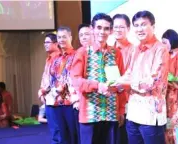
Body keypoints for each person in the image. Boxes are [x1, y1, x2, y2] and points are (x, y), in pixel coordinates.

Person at [114, 10, 169, 144]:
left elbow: (154, 82)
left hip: (151, 116)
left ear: (153, 27)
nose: (139, 29)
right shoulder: (135, 49)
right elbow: (129, 73)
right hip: (133, 114)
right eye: (136, 25)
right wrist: (115, 82)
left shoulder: (160, 49)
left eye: (143, 25)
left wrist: (127, 84)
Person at [71, 13, 126, 144]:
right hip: (90, 114)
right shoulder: (83, 52)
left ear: (111, 31)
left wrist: (121, 109)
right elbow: (76, 81)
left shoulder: (116, 53)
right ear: (92, 29)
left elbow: (121, 84)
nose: (102, 32)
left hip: (111, 113)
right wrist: (97, 86)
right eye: (99, 27)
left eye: (106, 28)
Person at [48, 27, 80, 144]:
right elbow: (52, 78)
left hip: (71, 103)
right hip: (58, 102)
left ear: (70, 38)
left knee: (74, 135)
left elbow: (76, 78)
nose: (61, 39)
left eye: (64, 37)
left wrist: (63, 88)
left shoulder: (77, 55)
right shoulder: (56, 58)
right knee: (62, 136)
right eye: (59, 37)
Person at [112, 13, 133, 144]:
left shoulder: (134, 50)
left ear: (128, 29)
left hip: (127, 103)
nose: (118, 30)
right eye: (115, 27)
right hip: (109, 102)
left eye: (122, 27)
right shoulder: (108, 50)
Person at [38, 32, 62, 144]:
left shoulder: (59, 59)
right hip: (49, 98)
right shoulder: (48, 59)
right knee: (54, 130)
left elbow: (55, 80)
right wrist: (42, 91)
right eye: (44, 42)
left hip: (56, 99)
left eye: (48, 42)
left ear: (56, 43)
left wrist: (43, 90)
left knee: (58, 131)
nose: (45, 44)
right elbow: (45, 77)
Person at [161, 29, 178, 144]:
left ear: (172, 41)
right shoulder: (165, 54)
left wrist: (167, 77)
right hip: (163, 94)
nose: (163, 45)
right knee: (162, 125)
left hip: (173, 96)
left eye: (165, 42)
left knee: (170, 126)